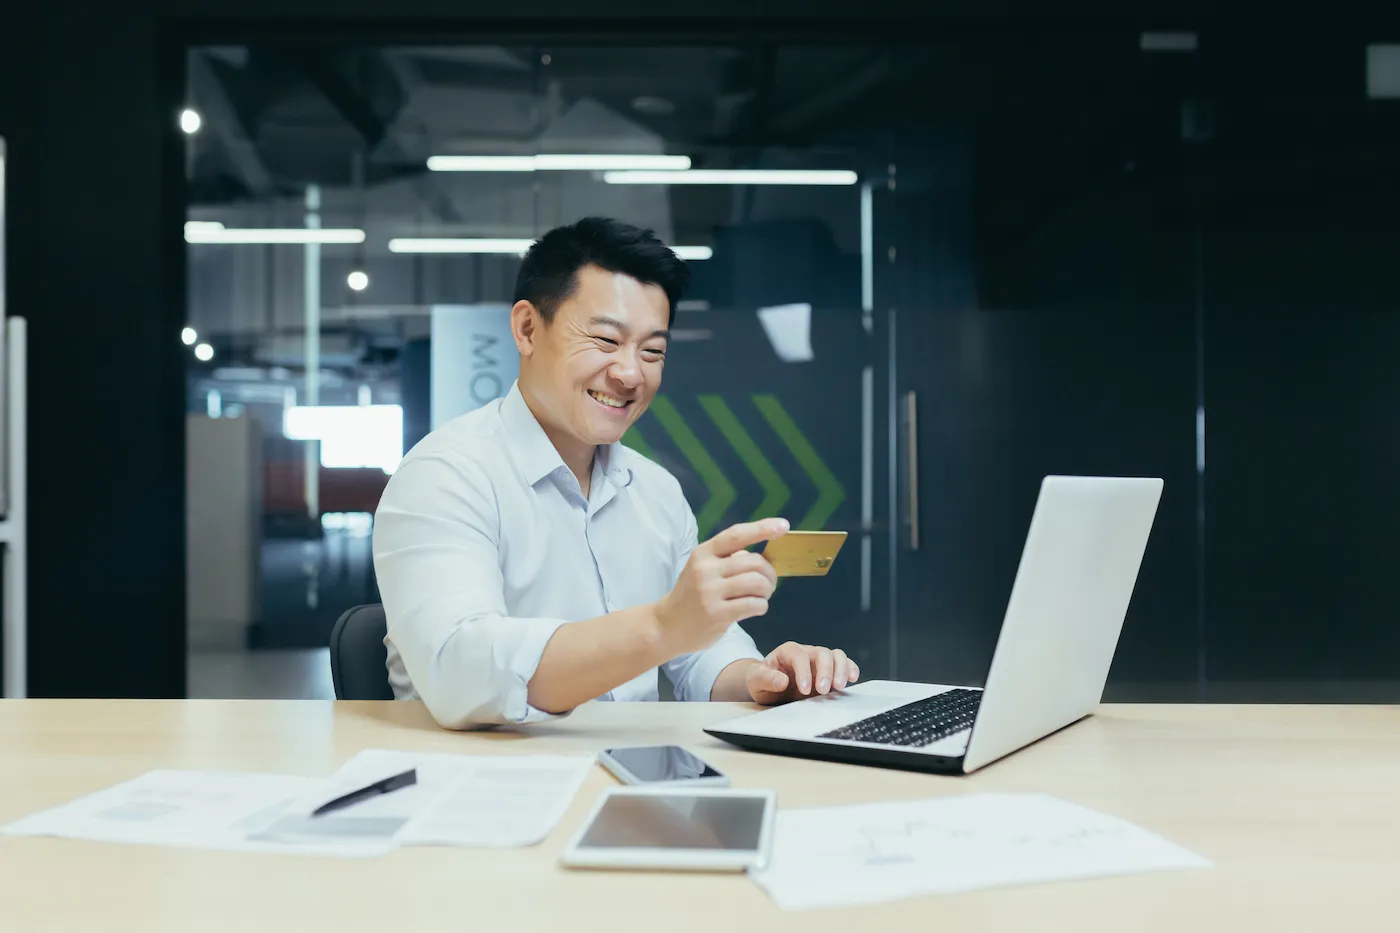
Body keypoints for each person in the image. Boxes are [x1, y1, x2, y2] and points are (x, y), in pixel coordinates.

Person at [372, 216, 858, 730]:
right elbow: (459, 673)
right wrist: (662, 624)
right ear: (528, 329)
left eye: (652, 351)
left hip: (635, 782)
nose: (630, 374)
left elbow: (701, 655)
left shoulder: (656, 491)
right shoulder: (444, 475)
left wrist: (766, 678)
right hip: (487, 788)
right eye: (606, 340)